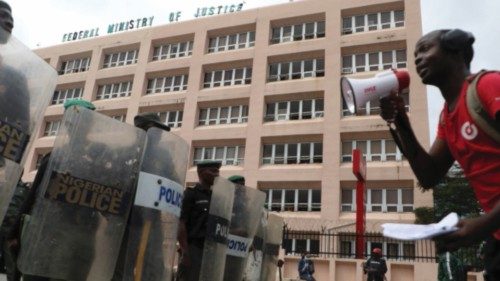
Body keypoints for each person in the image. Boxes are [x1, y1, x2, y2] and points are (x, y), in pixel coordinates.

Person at [379, 29, 500, 280]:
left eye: (425, 49)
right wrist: (400, 121)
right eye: (415, 54)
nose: (418, 59)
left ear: (455, 49)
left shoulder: (488, 86)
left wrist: (485, 223)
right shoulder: (447, 117)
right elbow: (429, 174)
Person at [111, 112, 170, 281]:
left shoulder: (164, 158)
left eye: (161, 130)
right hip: (126, 221)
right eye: (155, 129)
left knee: (154, 266)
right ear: (142, 130)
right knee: (122, 267)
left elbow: (171, 180)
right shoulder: (124, 153)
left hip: (152, 221)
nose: (159, 134)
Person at [177, 160, 221, 281]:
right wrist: (185, 251)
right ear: (201, 172)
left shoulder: (217, 197)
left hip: (211, 251)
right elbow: (181, 223)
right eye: (213, 171)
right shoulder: (190, 194)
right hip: (194, 249)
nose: (217, 174)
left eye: (218, 171)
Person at [0, 179, 29, 281]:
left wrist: (15, 234)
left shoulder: (23, 190)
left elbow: (23, 212)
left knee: (11, 264)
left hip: (10, 230)